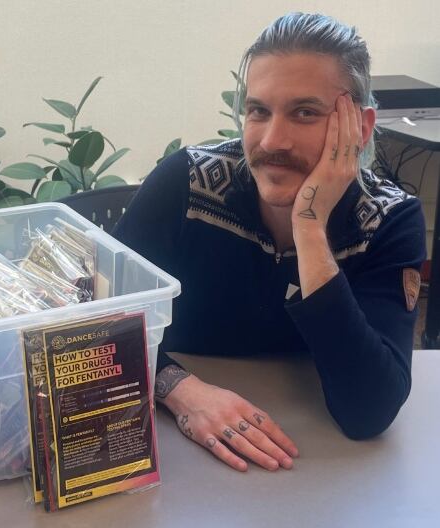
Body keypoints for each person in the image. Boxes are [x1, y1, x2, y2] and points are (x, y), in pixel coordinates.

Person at [112, 13, 426, 472]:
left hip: (311, 467)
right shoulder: (184, 184)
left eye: (305, 113)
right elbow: (101, 327)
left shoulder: (388, 219)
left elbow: (369, 411)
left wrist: (310, 228)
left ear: (359, 127)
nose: (272, 140)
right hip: (172, 456)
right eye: (258, 111)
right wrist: (182, 391)